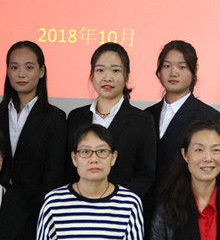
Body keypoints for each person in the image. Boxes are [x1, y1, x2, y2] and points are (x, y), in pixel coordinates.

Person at [65, 42, 156, 199]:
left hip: (121, 206)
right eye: (100, 70)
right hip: (78, 204)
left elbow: (145, 175)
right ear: (92, 75)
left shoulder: (142, 121)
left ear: (127, 75)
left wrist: (116, 201)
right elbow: (67, 168)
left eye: (115, 70)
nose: (107, 78)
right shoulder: (76, 117)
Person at [0, 40, 66, 207]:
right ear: (7, 71)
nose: (21, 74)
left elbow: (54, 173)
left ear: (41, 71)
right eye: (14, 67)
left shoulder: (55, 118)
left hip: (35, 206)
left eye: (29, 67)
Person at [143, 40, 220, 198]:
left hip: (185, 201)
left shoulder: (207, 115)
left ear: (193, 72)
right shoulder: (147, 115)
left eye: (182, 67)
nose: (173, 72)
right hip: (147, 202)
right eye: (167, 66)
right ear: (159, 72)